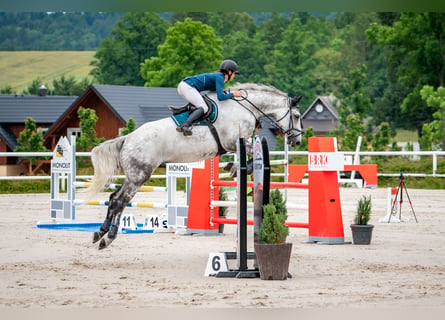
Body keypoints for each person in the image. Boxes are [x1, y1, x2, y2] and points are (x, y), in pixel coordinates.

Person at [175, 59, 242, 136]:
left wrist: (228, 93)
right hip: (188, 87)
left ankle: (185, 116)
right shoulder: (220, 77)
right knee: (204, 107)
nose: (234, 76)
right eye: (234, 73)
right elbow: (220, 97)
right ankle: (185, 125)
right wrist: (233, 94)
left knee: (200, 105)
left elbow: (215, 92)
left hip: (184, 86)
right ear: (229, 72)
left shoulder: (219, 76)